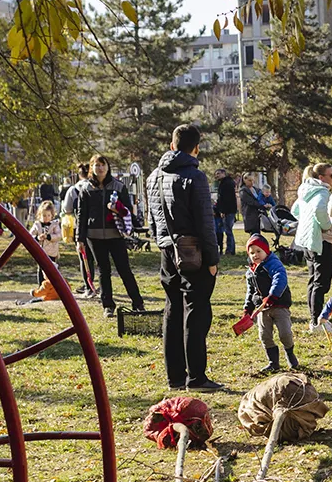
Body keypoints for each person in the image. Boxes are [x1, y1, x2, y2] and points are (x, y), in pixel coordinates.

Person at [146, 124, 221, 393]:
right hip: (194, 252)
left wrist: (162, 242)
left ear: (172, 144)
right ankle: (197, 377)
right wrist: (213, 259)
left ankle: (175, 376)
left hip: (168, 251)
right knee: (196, 313)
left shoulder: (153, 176)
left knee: (172, 311)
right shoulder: (195, 177)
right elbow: (205, 222)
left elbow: (152, 219)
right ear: (196, 147)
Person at [75, 154, 145, 315]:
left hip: (116, 235)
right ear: (91, 168)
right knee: (103, 271)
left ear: (108, 167)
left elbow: (128, 212)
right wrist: (80, 239)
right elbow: (81, 215)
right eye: (96, 165)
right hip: (94, 236)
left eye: (103, 165)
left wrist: (117, 209)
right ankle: (108, 305)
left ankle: (138, 302)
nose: (100, 168)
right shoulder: (85, 189)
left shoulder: (118, 186)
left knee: (124, 269)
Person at [241, 234, 302, 375]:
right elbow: (250, 291)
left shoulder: (273, 264)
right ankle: (273, 363)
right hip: (262, 308)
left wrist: (272, 296)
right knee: (265, 335)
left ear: (266, 251)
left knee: (285, 333)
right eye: (252, 253)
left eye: (258, 251)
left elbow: (279, 278)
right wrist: (248, 308)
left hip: (279, 304)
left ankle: (290, 356)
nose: (255, 255)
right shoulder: (250, 272)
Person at [292, 162, 332, 326]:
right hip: (320, 242)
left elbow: (295, 211)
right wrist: (328, 226)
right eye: (331, 175)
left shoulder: (306, 190)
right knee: (321, 283)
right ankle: (317, 321)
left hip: (307, 241)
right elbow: (320, 210)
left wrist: (307, 222)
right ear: (321, 178)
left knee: (313, 281)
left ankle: (315, 318)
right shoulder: (322, 192)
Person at [30, 198, 62, 288]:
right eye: (44, 215)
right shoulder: (37, 225)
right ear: (40, 215)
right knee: (41, 269)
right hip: (40, 251)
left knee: (51, 269)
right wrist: (37, 238)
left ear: (52, 215)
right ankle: (41, 286)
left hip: (52, 252)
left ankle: (52, 286)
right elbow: (30, 235)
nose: (46, 218)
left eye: (48, 215)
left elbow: (59, 236)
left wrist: (49, 237)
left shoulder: (55, 225)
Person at [213, 168, 239, 258]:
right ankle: (230, 249)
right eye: (216, 174)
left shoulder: (226, 184)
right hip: (228, 210)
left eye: (218, 173)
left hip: (228, 211)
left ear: (224, 173)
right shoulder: (225, 183)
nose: (217, 175)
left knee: (228, 231)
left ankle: (230, 250)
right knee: (228, 230)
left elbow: (226, 199)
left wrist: (223, 211)